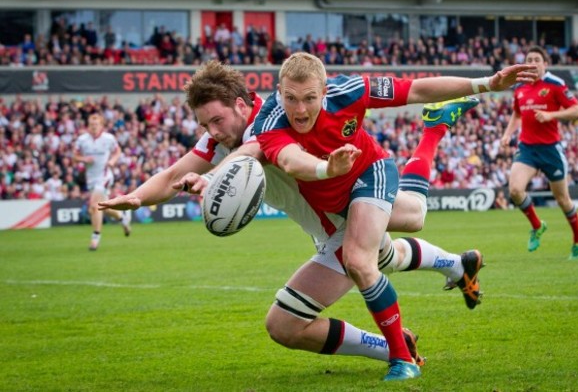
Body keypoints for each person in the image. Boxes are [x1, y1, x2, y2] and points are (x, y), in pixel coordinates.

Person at [99, 59, 536, 381]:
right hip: (333, 218)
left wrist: (485, 83)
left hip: (355, 193)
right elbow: (176, 174)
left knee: (381, 242)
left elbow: (278, 154)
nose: (211, 131)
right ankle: (457, 266)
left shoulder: (270, 125)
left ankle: (399, 353)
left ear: (240, 104)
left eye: (215, 120)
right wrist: (136, 199)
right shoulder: (227, 139)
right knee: (368, 260)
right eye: (204, 124)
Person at [252, 52, 537, 380]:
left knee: (361, 261)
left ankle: (403, 359)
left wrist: (487, 83)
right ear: (278, 90)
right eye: (290, 98)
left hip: (370, 174)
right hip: (336, 202)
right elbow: (289, 161)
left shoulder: (351, 91)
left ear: (325, 91)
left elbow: (414, 89)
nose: (299, 110)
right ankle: (435, 132)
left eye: (309, 98)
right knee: (408, 223)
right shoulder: (270, 120)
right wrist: (326, 167)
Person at [500, 45, 578, 260]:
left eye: (537, 59)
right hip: (527, 148)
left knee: (563, 200)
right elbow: (516, 115)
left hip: (550, 150)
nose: (533, 63)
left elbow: (577, 111)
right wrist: (507, 134)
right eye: (529, 59)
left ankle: (577, 240)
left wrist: (551, 116)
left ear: (545, 63)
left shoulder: (555, 84)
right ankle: (537, 226)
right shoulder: (520, 87)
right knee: (515, 190)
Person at [73, 113, 131, 251]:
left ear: (101, 125)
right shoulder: (82, 140)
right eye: (91, 124)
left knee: (94, 206)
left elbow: (117, 151)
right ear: (88, 125)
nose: (94, 127)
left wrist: (112, 161)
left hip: (104, 177)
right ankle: (121, 217)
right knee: (104, 206)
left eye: (96, 124)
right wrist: (83, 159)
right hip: (91, 178)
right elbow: (74, 156)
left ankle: (95, 238)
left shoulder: (108, 138)